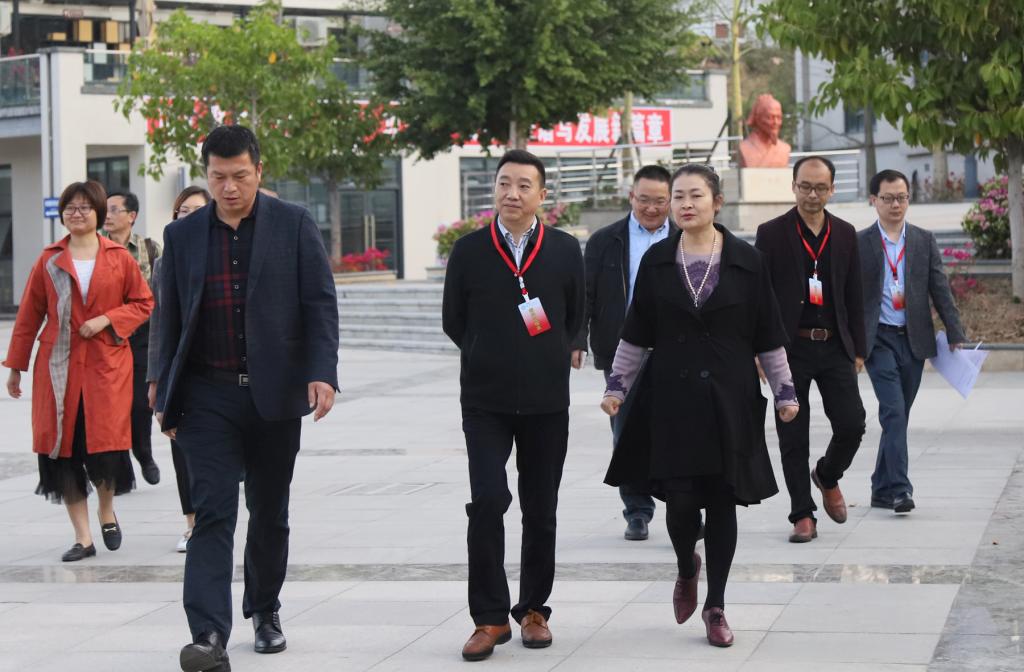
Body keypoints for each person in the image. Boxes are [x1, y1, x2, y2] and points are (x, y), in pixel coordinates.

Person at [154, 125, 339, 672]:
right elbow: (168, 314)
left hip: (275, 394)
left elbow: (320, 303)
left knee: (270, 511)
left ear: (259, 170)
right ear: (206, 175)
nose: (229, 187)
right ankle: (208, 633)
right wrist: (159, 383)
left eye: (239, 175)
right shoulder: (183, 235)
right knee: (212, 512)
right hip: (206, 395)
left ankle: (264, 608)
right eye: (218, 177)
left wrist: (322, 373)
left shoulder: (293, 223)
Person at [602, 163, 798, 648]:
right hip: (672, 399)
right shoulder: (657, 261)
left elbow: (768, 334)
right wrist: (617, 387)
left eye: (695, 195)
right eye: (678, 197)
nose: (685, 204)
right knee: (682, 503)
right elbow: (635, 332)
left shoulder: (747, 261)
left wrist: (785, 391)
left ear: (717, 202)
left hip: (730, 398)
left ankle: (717, 605)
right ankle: (686, 565)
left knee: (723, 500)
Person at [442, 149, 585, 662]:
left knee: (540, 507)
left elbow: (576, 314)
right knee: (487, 500)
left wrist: (548, 355)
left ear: (542, 195)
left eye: (524, 185)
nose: (512, 193)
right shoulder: (469, 250)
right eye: (504, 183)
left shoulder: (565, 249)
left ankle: (534, 611)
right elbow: (453, 320)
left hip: (547, 401)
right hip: (486, 401)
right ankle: (488, 617)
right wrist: (490, 354)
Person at [3, 180, 153, 562]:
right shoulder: (49, 259)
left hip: (106, 366)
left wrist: (107, 319)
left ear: (98, 213)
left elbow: (143, 303)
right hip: (59, 366)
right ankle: (83, 538)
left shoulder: (118, 257)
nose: (77, 213)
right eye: (70, 207)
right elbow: (29, 315)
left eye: (85, 207)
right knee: (63, 449)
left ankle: (106, 511)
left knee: (105, 446)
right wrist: (16, 365)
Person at [576, 164, 702, 542]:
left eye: (660, 201)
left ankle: (685, 509)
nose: (651, 208)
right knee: (626, 434)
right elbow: (586, 294)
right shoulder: (606, 241)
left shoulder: (688, 238)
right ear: (631, 197)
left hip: (676, 351)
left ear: (671, 200)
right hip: (622, 351)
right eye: (643, 200)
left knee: (683, 433)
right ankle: (637, 511)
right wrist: (577, 339)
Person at [754, 156, 867, 544]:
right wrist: (759, 350)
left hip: (835, 345)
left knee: (852, 424)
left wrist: (858, 349)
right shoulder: (771, 233)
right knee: (792, 435)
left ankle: (827, 475)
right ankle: (802, 514)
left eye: (820, 187)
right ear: (794, 186)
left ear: (832, 189)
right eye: (805, 186)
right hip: (788, 351)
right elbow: (760, 296)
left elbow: (854, 294)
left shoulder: (846, 233)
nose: (812, 194)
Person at [858, 169, 966, 513]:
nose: (896, 204)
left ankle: (880, 488)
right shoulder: (859, 243)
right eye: (888, 198)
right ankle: (900, 489)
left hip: (914, 339)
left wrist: (955, 331)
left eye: (902, 197)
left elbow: (940, 288)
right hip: (878, 340)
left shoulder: (922, 240)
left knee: (898, 416)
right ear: (873, 200)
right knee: (893, 411)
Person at [147, 186, 211, 552]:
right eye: (182, 211)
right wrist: (155, 379)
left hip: (221, 370)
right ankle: (192, 522)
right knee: (180, 446)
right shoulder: (164, 263)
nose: (188, 217)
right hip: (180, 371)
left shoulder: (225, 254)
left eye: (196, 210)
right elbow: (160, 324)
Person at [103, 190, 162, 485]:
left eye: (114, 209)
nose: (107, 215)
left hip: (142, 335)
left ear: (132, 216)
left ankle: (144, 453)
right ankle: (121, 470)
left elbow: (164, 289)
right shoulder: (94, 248)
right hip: (107, 335)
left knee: (140, 404)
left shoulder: (150, 248)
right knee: (112, 406)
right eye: (105, 209)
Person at [738, 93, 792, 168]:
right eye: (770, 117)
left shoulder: (784, 148)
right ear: (758, 119)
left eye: (779, 118)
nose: (776, 122)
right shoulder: (744, 147)